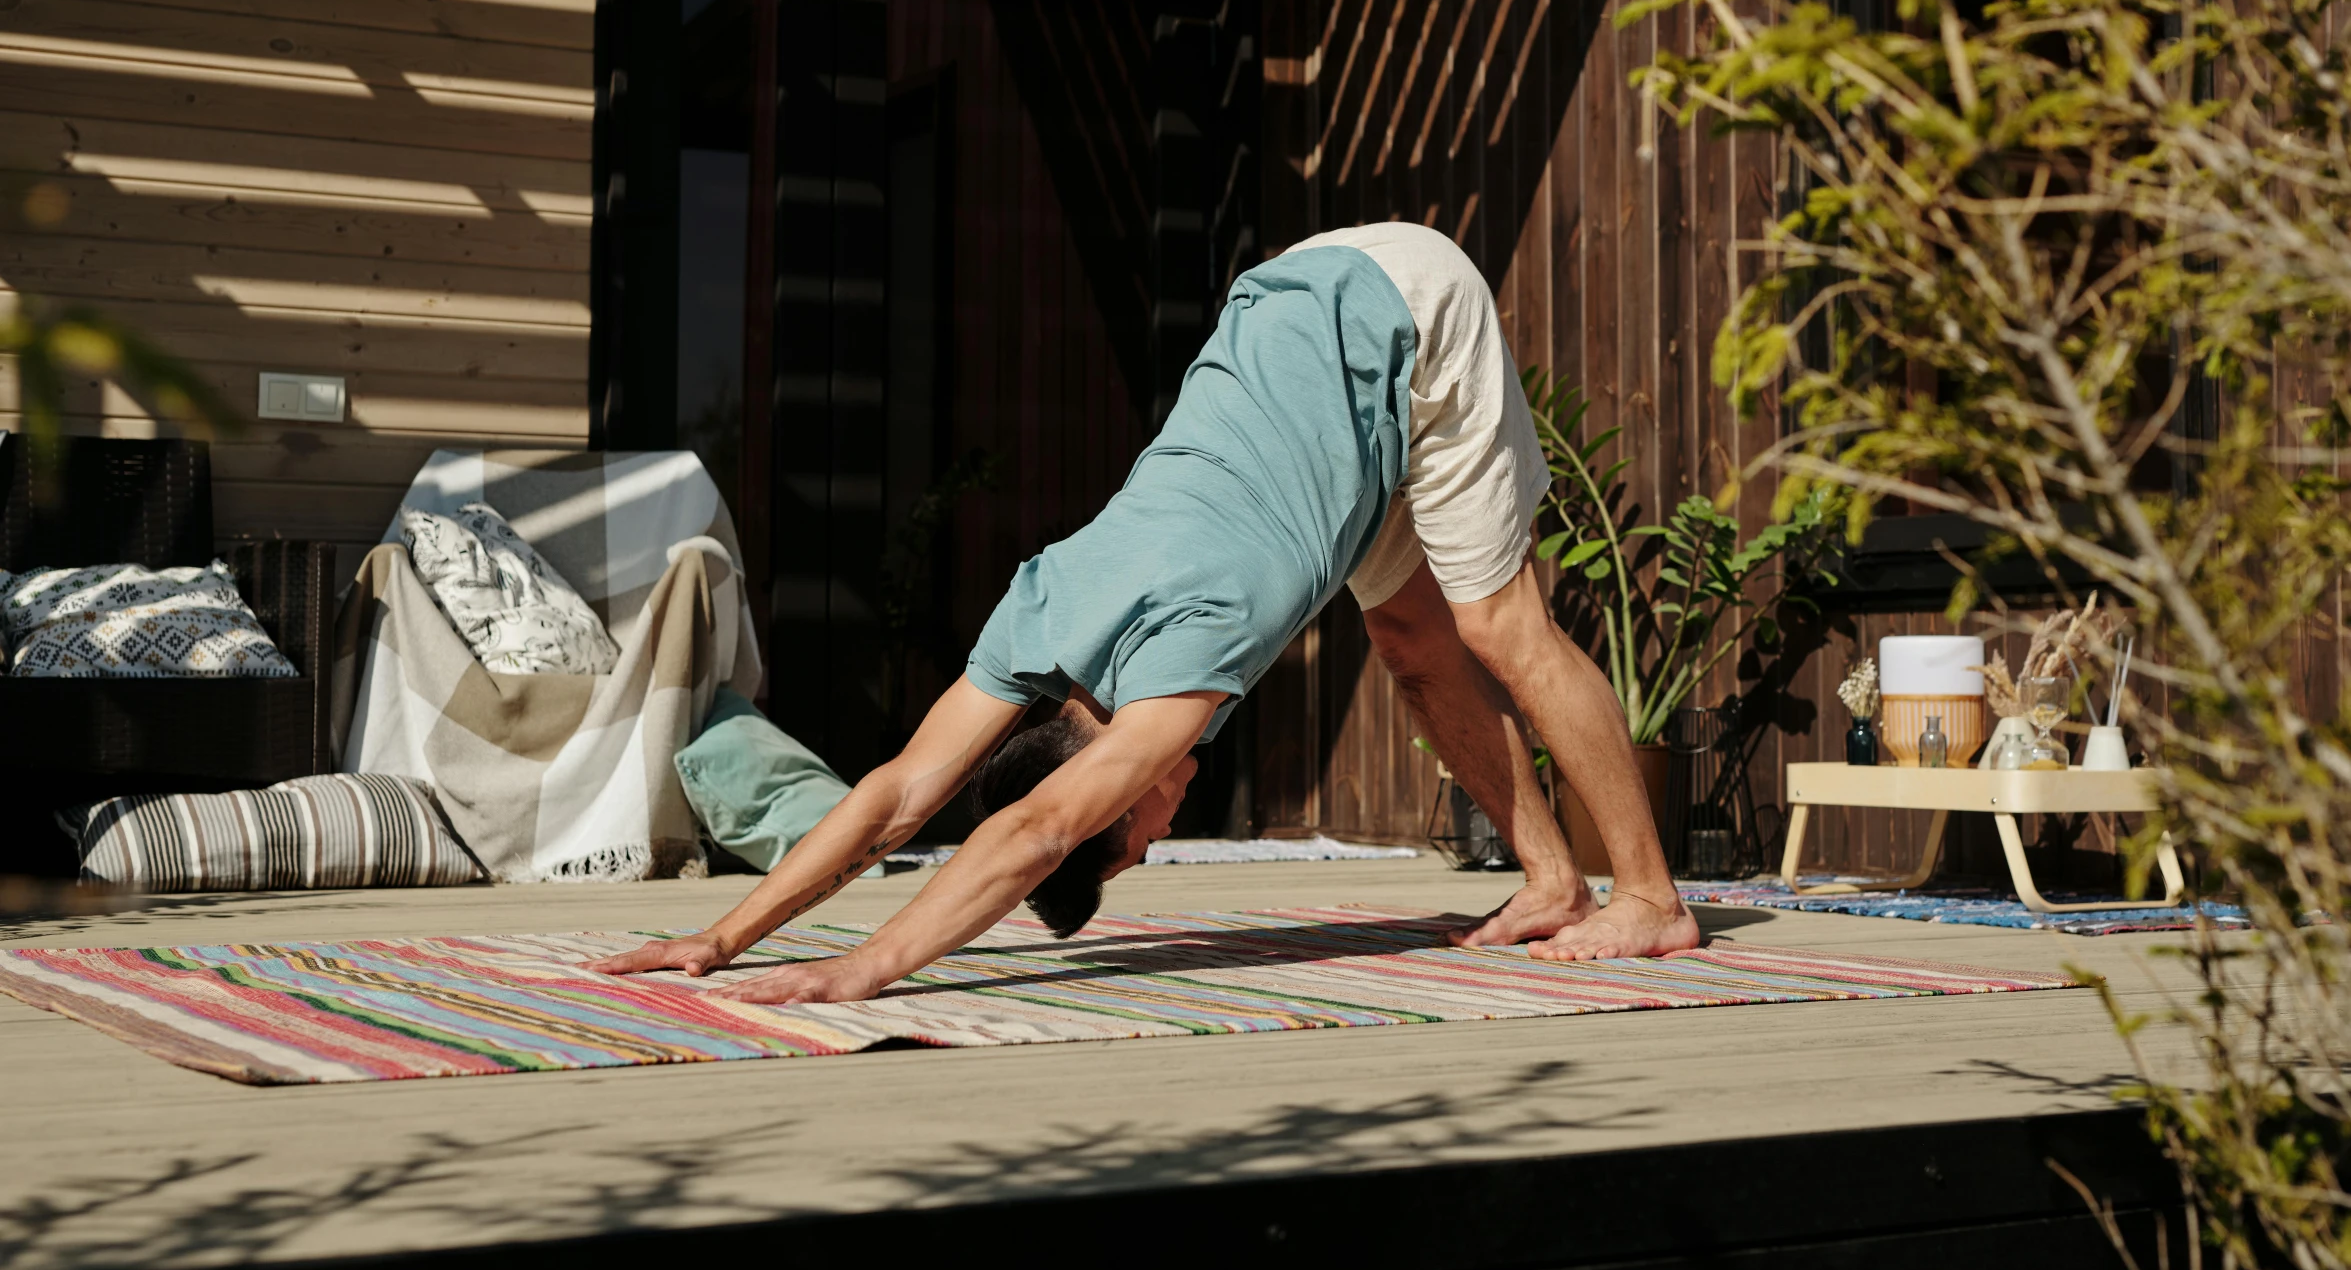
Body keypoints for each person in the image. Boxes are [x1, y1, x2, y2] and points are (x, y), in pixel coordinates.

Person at [590, 223, 1697, 1005]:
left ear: (1101, 779)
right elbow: (890, 797)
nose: (1158, 829)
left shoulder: (1181, 668)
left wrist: (862, 965)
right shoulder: (1042, 610)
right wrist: (724, 935)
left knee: (1499, 625)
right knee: (1410, 642)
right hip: (1300, 315)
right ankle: (1552, 879)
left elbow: (1030, 829)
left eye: (1133, 838)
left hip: (1397, 310)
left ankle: (1647, 895)